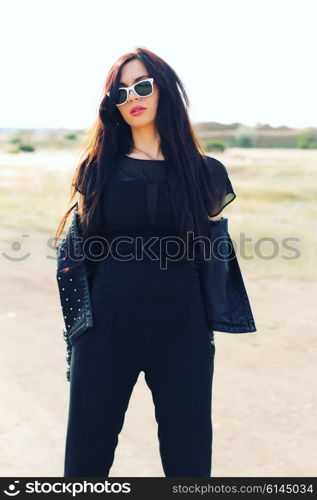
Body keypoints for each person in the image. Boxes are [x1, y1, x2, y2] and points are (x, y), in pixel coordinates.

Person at [55, 46, 240, 478]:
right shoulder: (95, 169)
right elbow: (81, 254)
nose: (133, 97)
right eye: (121, 92)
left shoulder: (206, 172)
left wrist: (210, 322)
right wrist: (79, 329)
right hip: (106, 325)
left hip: (182, 326)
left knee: (188, 458)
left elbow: (212, 259)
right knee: (87, 456)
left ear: (165, 91)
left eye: (142, 85)